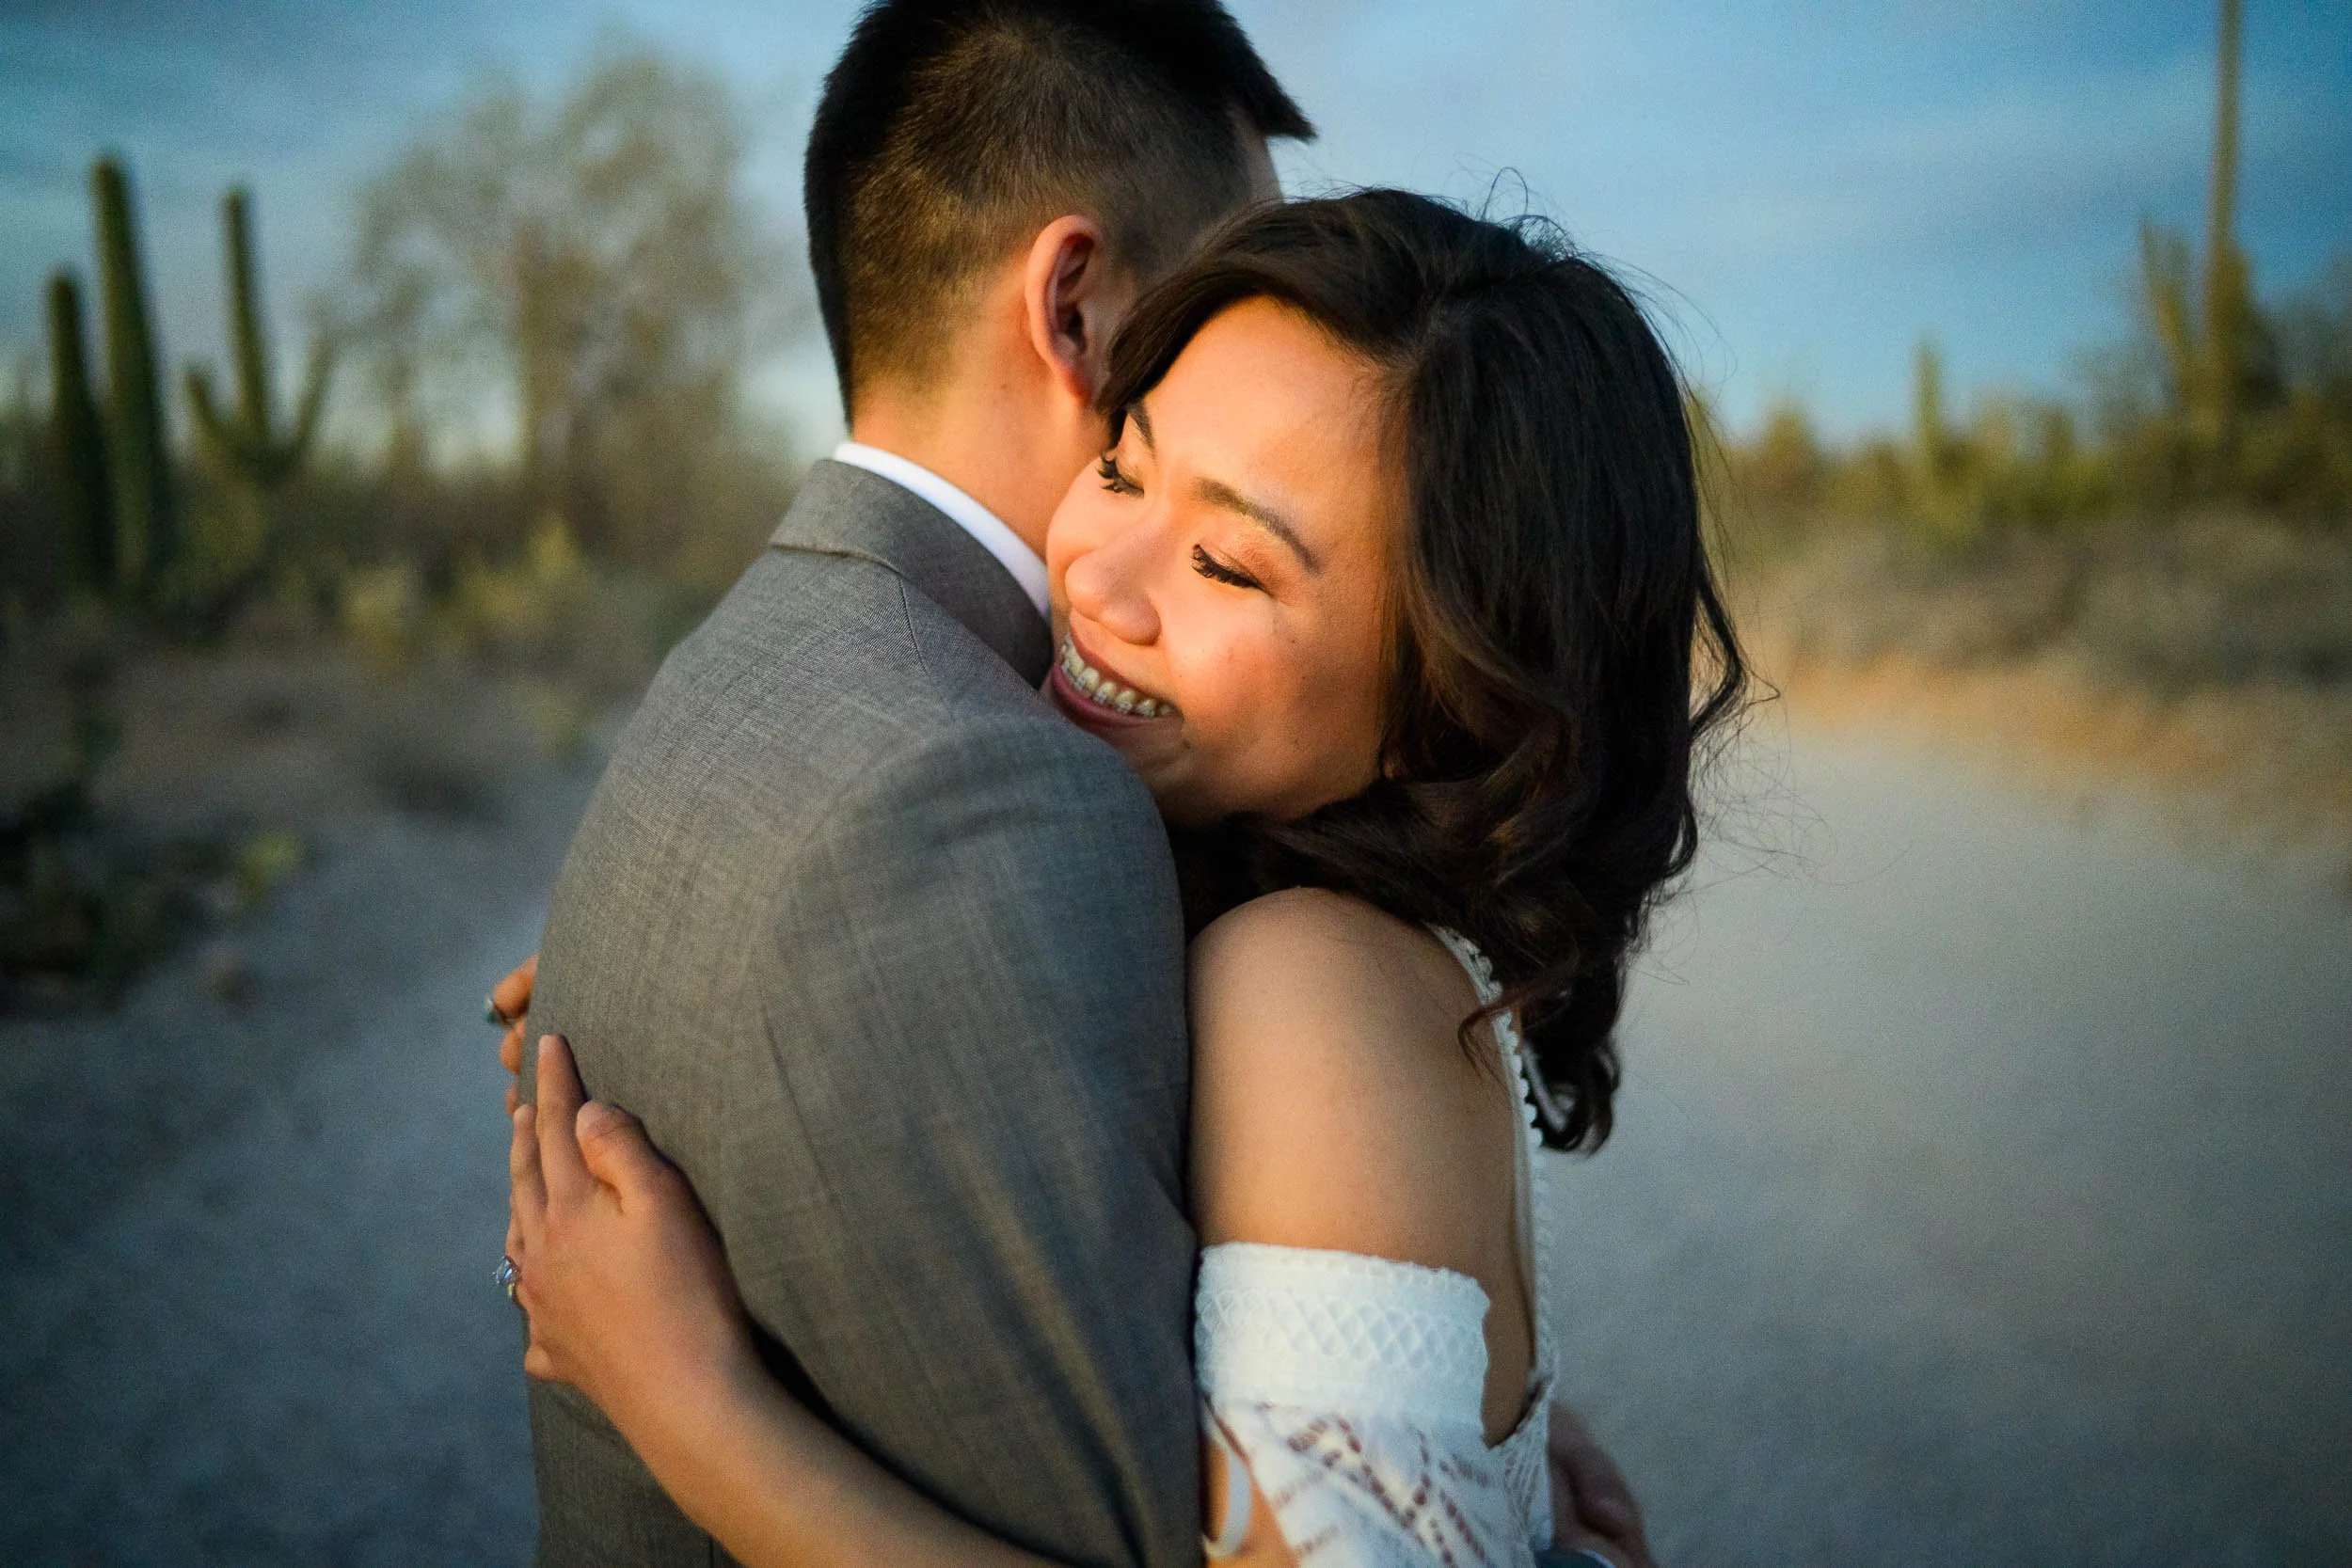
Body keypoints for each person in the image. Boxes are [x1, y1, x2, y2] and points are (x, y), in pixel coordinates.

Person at [499, 189, 1739, 1564]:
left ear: (1453, 705)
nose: (1102, 581)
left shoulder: (1313, 977)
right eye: (1127, 467)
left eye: (1227, 562)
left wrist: (689, 1404)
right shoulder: (1256, 918)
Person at [507, 3, 1312, 1564]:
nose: (1280, 346)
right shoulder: (967, 805)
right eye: (1239, 294)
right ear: (1076, 309)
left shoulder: (748, 657)